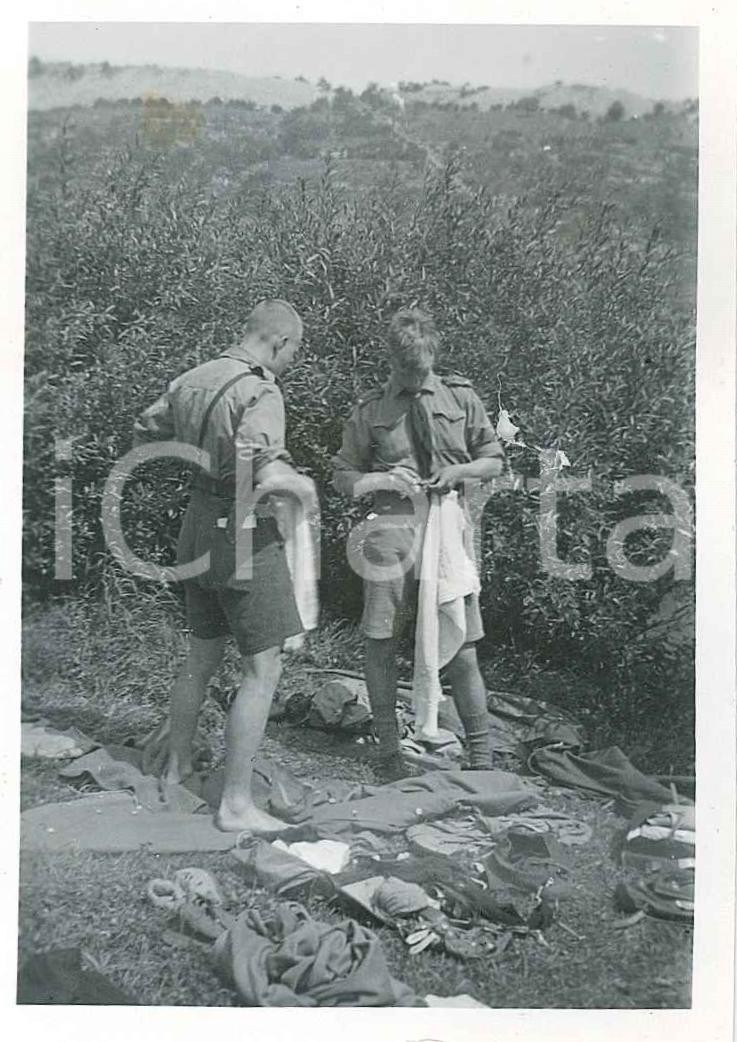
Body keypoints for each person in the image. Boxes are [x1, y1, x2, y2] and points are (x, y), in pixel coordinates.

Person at [133, 299, 314, 833]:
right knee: (263, 668)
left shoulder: (193, 378)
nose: (292, 362)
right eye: (294, 351)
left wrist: (201, 460)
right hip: (242, 532)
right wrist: (303, 488)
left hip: (196, 524)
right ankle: (235, 805)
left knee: (201, 655)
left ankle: (177, 766)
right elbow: (265, 469)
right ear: (280, 341)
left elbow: (145, 428)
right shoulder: (261, 390)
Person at [332, 307, 504, 781]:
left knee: (462, 641)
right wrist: (382, 479)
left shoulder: (461, 397)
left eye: (421, 371)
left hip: (448, 530)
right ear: (392, 360)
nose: (414, 379)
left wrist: (460, 471)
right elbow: (342, 475)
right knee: (381, 639)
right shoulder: (371, 410)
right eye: (406, 371)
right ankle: (388, 751)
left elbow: (493, 460)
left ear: (433, 358)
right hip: (390, 531)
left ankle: (482, 756)